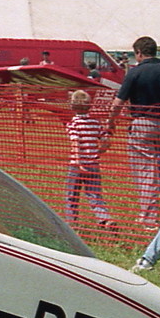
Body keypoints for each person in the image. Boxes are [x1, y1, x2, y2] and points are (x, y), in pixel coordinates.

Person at [106, 36, 160, 226]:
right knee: (156, 168)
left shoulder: (135, 73)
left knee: (145, 170)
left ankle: (148, 217)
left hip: (142, 124)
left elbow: (118, 103)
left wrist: (110, 123)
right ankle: (149, 211)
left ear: (139, 53)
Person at [64, 90, 113, 229]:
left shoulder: (73, 124)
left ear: (72, 106)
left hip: (77, 165)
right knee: (95, 194)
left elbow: (75, 142)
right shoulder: (95, 123)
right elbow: (106, 141)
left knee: (71, 195)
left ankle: (72, 225)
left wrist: (78, 161)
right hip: (93, 164)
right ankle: (105, 219)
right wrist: (98, 153)